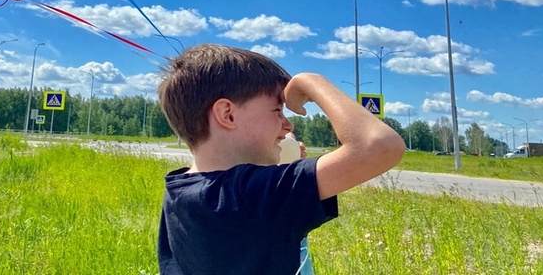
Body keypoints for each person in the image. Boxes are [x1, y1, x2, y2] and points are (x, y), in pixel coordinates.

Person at [157, 44, 406, 275]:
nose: (288, 125)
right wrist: (312, 81)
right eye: (277, 111)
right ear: (227, 115)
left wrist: (281, 167)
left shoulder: (181, 189)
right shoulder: (252, 195)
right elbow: (380, 146)